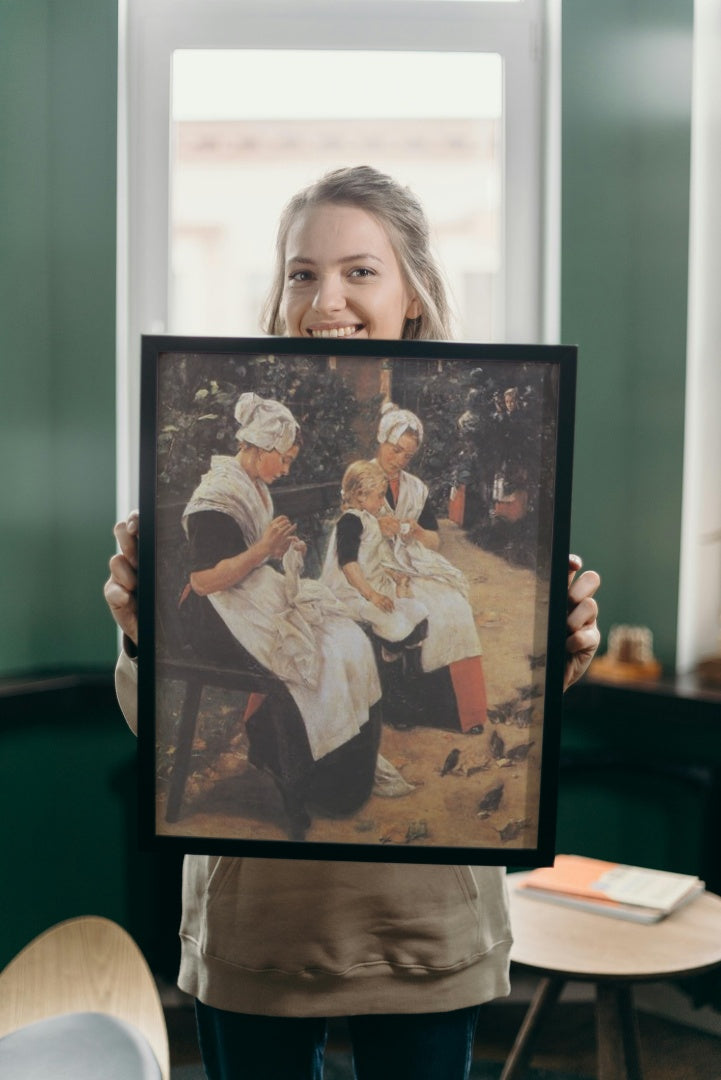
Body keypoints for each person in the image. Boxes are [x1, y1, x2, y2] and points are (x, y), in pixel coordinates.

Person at [106, 165, 601, 1080]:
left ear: (412, 291)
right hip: (260, 926)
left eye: (359, 271)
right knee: (337, 630)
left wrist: (560, 648)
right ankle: (328, 767)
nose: (324, 297)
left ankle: (353, 755)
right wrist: (141, 635)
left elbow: (537, 712)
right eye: (301, 272)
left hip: (423, 924)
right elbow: (149, 714)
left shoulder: (510, 404)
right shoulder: (218, 483)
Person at [179, 391, 383, 839]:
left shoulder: (253, 486)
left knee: (347, 638)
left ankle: (337, 782)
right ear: (260, 446)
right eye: (285, 459)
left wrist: (280, 550)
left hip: (246, 595)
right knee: (310, 655)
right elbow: (203, 581)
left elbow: (252, 556)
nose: (286, 469)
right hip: (215, 616)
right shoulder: (217, 494)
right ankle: (302, 784)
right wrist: (263, 551)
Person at [371, 403, 488, 734]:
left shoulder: (413, 487)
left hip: (410, 563)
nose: (399, 459)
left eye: (407, 455)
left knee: (453, 605)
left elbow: (434, 540)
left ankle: (460, 712)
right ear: (381, 441)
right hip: (369, 567)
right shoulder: (361, 477)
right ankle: (401, 704)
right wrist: (378, 529)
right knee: (415, 607)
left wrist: (415, 531)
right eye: (395, 450)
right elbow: (347, 532)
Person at [320, 458, 430, 676]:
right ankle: (392, 664)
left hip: (371, 586)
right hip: (351, 592)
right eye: (379, 496)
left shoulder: (368, 519)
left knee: (418, 615)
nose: (382, 502)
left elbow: (371, 557)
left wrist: (393, 574)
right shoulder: (349, 522)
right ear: (360, 495)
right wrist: (372, 595)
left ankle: (404, 664)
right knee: (397, 625)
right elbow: (349, 565)